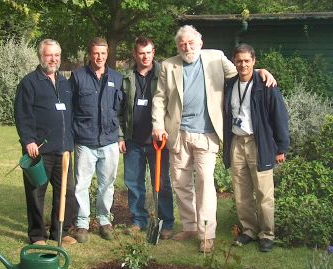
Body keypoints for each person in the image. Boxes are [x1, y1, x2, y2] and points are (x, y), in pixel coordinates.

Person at [152, 25, 276, 253]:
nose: (186, 47)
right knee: (180, 184)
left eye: (190, 43)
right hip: (178, 134)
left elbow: (242, 72)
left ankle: (207, 233)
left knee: (205, 184)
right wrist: (158, 126)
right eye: (182, 44)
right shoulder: (169, 66)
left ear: (200, 42)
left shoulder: (215, 58)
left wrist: (260, 71)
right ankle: (189, 226)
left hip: (207, 134)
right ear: (177, 46)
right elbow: (159, 99)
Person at [223, 43, 289, 252]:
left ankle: (267, 234)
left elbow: (279, 117)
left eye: (247, 61)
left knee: (264, 192)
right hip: (237, 142)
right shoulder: (230, 84)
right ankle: (249, 230)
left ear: (254, 61)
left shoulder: (265, 85)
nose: (243, 65)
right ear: (234, 61)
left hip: (259, 143)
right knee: (241, 193)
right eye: (239, 61)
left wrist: (281, 148)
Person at [14, 39, 77, 246]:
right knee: (35, 193)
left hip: (64, 150)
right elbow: (23, 115)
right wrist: (28, 141)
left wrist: (70, 142)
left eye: (57, 55)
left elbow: (70, 115)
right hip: (39, 151)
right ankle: (37, 235)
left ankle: (61, 232)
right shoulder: (29, 82)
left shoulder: (65, 83)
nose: (53, 59)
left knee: (66, 192)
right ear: (41, 56)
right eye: (49, 55)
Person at [119, 36, 174, 239]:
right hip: (133, 139)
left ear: (154, 52)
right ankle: (138, 220)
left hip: (158, 142)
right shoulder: (126, 77)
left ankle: (166, 222)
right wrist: (120, 136)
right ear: (135, 54)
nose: (145, 57)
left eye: (148, 52)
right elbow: (119, 109)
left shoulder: (164, 75)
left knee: (162, 183)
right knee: (134, 182)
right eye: (141, 53)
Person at [71, 37, 123, 243]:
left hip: (109, 140)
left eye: (102, 53)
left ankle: (104, 220)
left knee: (107, 184)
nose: (99, 57)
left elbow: (121, 110)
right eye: (95, 53)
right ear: (90, 54)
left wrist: (119, 136)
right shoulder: (77, 77)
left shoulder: (117, 78)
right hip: (85, 141)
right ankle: (82, 223)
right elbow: (71, 109)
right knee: (81, 184)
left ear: (107, 53)